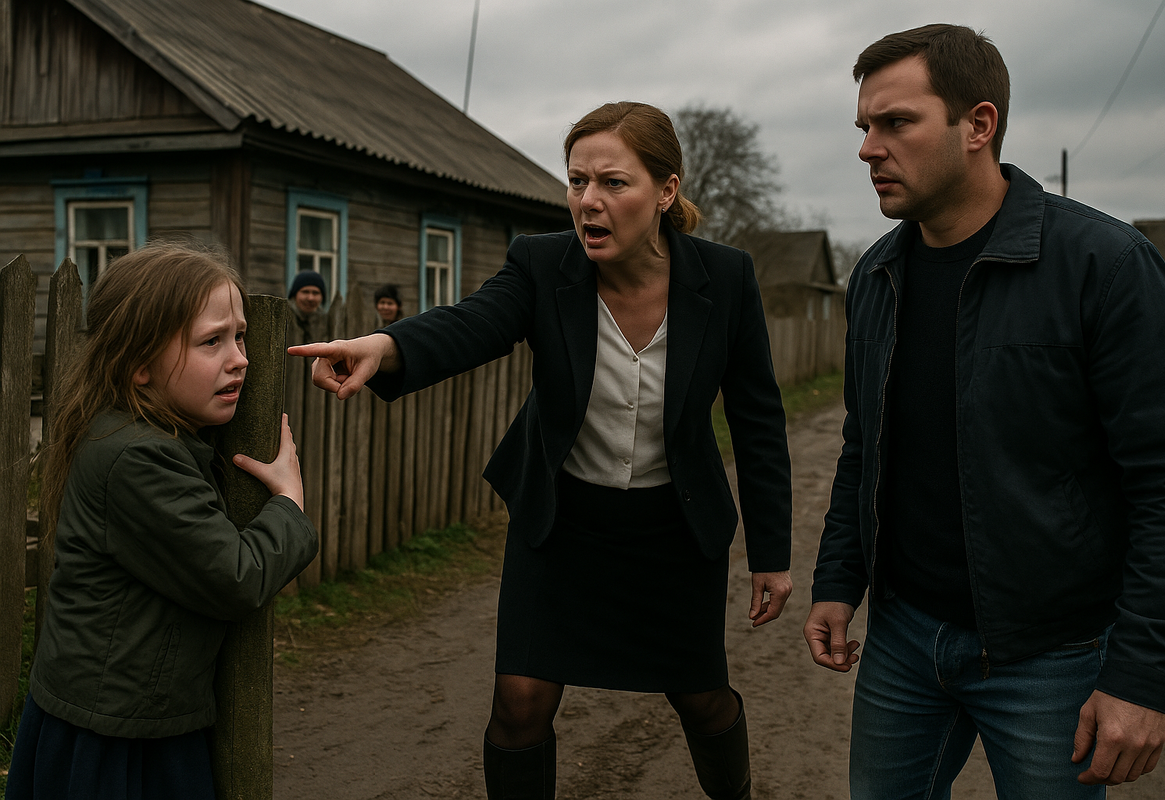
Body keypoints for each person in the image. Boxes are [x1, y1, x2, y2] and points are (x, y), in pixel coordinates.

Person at [290, 101, 793, 800]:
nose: (589, 201)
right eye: (577, 181)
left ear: (666, 191)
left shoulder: (726, 278)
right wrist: (386, 345)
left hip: (674, 529)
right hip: (562, 522)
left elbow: (758, 420)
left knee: (701, 697)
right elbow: (474, 322)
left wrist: (771, 553)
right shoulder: (541, 263)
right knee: (519, 703)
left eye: (613, 183)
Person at [803, 23, 1165, 799]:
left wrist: (1142, 678)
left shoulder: (1105, 264)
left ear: (978, 124)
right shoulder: (877, 274)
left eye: (896, 123)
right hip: (903, 642)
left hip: (1054, 654)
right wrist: (839, 579)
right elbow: (865, 446)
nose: (868, 149)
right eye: (864, 127)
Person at [6, 242, 319, 799]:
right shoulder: (137, 458)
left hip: (136, 717)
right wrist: (289, 505)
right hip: (113, 738)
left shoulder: (152, 435)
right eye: (211, 341)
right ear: (139, 365)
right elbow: (237, 577)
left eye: (240, 336)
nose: (241, 359)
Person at [288, 269, 327, 340]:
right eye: (305, 292)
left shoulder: (326, 323)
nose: (310, 298)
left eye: (315, 293)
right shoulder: (283, 320)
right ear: (294, 295)